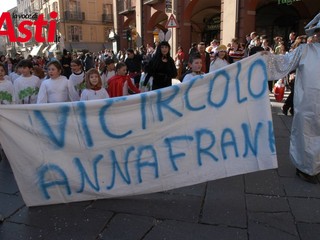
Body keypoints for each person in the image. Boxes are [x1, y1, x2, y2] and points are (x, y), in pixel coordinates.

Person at [265, 13, 320, 183]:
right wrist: (263, 59)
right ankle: (305, 168)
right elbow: (283, 63)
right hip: (308, 103)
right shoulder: (305, 50)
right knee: (306, 134)